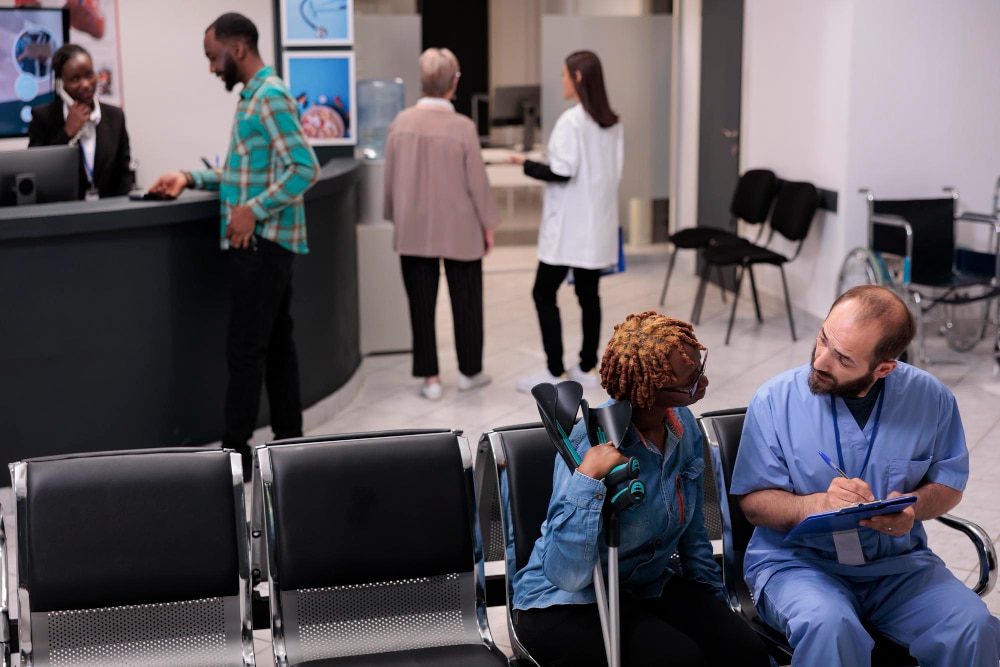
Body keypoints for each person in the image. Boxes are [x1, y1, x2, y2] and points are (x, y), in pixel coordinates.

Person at [731, 285, 1000, 667]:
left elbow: (948, 485)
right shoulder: (775, 401)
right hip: (801, 565)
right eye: (823, 338)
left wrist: (912, 508)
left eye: (843, 358)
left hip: (897, 567)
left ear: (884, 368)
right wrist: (818, 503)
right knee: (831, 626)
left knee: (973, 626)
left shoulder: (931, 399)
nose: (821, 360)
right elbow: (755, 505)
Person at [512, 311, 770, 667]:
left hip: (646, 584)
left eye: (700, 368)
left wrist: (714, 605)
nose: (704, 381)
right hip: (566, 599)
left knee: (747, 652)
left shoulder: (684, 428)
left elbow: (693, 531)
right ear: (649, 391)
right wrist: (587, 480)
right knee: (679, 660)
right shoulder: (590, 440)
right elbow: (566, 574)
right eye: (691, 381)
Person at [149, 12, 319, 479]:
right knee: (275, 348)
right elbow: (242, 175)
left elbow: (305, 167)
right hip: (264, 245)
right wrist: (190, 176)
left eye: (213, 56)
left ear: (237, 48)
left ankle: (235, 457)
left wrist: (253, 210)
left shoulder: (270, 96)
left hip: (263, 245)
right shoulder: (252, 98)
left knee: (246, 352)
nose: (211, 67)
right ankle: (288, 447)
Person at [383, 47, 500, 400]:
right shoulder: (463, 128)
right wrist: (488, 224)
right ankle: (469, 372)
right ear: (454, 82)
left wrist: (395, 216)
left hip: (413, 229)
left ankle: (430, 378)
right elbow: (477, 185)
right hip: (460, 228)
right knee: (467, 300)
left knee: (421, 303)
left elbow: (389, 181)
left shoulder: (400, 124)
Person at [510, 50, 623, 394]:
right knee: (589, 295)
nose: (560, 81)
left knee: (543, 292)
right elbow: (614, 172)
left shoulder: (571, 121)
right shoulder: (612, 122)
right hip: (595, 224)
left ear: (577, 78)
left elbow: (561, 171)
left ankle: (554, 369)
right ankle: (587, 365)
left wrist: (524, 162)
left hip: (568, 229)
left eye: (563, 75)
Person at [28, 43, 133, 199]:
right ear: (60, 85)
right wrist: (67, 133)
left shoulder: (115, 116)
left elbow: (123, 175)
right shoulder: (43, 117)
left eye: (89, 74)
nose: (85, 84)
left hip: (108, 213)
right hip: (62, 214)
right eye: (75, 79)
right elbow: (36, 174)